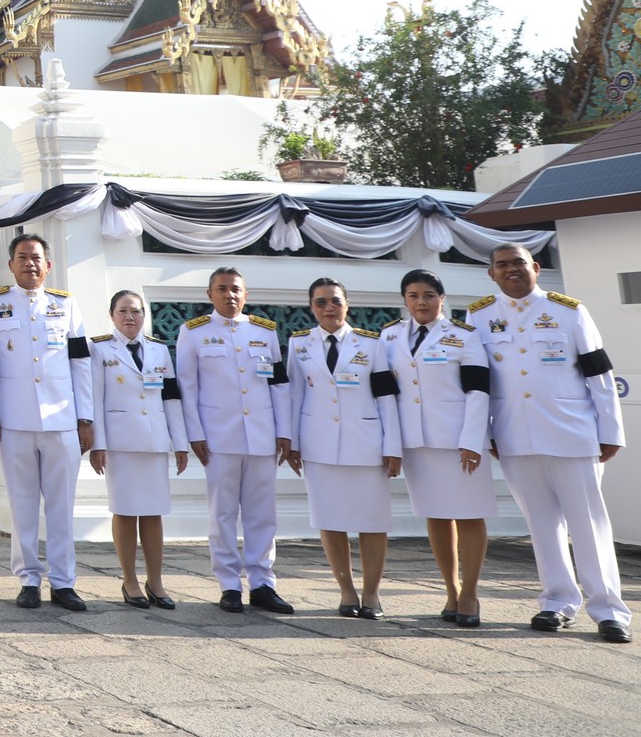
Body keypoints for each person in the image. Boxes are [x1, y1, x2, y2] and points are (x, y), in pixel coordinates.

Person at [470, 242, 629, 642]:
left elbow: (599, 375)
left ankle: (609, 610)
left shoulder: (568, 310)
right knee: (541, 527)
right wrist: (484, 432)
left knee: (589, 525)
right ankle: (557, 602)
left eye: (519, 263)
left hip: (571, 433)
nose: (511, 270)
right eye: (502, 265)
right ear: (491, 273)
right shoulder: (479, 316)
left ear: (535, 268)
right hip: (514, 436)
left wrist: (610, 431)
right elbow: (477, 383)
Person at [0, 233, 92, 611]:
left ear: (48, 266)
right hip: (15, 420)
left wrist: (85, 417)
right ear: (10, 264)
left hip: (61, 420)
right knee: (22, 504)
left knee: (61, 506)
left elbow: (80, 363)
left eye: (36, 258)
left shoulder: (66, 305)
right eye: (22, 257)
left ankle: (63, 582)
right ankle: (28, 579)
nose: (29, 263)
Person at [174, 266, 294, 615]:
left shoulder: (264, 331)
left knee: (262, 514)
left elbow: (279, 385)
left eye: (236, 289)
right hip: (218, 436)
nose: (230, 295)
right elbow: (188, 386)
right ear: (209, 295)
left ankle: (262, 583)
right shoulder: (193, 332)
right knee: (223, 513)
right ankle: (228, 584)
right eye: (222, 289)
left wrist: (283, 430)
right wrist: (194, 433)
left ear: (246, 295)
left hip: (261, 434)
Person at [380, 268, 493, 627]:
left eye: (429, 295)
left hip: (458, 440)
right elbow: (386, 392)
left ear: (442, 298)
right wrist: (392, 443)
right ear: (405, 300)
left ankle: (471, 594)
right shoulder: (390, 336)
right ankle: (451, 591)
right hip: (416, 442)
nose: (421, 302)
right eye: (413, 296)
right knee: (437, 515)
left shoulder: (463, 335)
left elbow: (478, 390)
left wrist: (473, 440)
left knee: (470, 513)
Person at [285, 278, 401, 620]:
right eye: (320, 302)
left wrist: (392, 445)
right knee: (330, 519)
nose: (328, 308)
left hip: (366, 444)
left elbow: (386, 397)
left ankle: (372, 593)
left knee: (373, 521)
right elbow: (294, 395)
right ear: (312, 308)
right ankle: (347, 591)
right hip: (319, 444)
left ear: (346, 304)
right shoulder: (300, 344)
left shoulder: (371, 343)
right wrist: (292, 442)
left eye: (335, 301)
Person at [87, 289, 187, 610]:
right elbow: (96, 400)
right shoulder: (100, 349)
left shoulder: (158, 350)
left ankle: (155, 580)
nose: (130, 317)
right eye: (123, 311)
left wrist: (180, 443)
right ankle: (129, 579)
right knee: (126, 511)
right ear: (112, 315)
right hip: (121, 443)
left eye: (136, 311)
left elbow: (171, 398)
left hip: (155, 442)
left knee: (154, 512)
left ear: (145, 316)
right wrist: (97, 445)